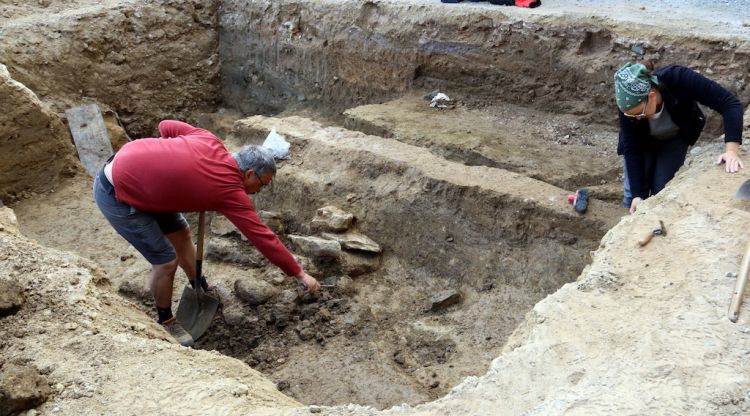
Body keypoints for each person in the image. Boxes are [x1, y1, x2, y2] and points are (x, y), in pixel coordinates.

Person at [93, 120, 320, 346]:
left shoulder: (210, 140)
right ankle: (166, 320)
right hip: (118, 193)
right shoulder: (229, 191)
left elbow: (166, 126)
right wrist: (300, 274)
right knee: (166, 262)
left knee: (182, 234)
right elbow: (262, 237)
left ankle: (199, 285)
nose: (259, 191)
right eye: (262, 184)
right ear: (249, 174)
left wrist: (171, 169)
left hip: (145, 183)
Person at [614, 62, 744, 214]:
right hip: (642, 141)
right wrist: (637, 195)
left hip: (674, 138)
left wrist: (731, 151)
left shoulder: (679, 79)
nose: (636, 119)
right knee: (633, 194)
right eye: (631, 115)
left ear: (652, 96)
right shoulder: (628, 103)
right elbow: (632, 148)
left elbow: (730, 104)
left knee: (662, 189)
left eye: (639, 113)